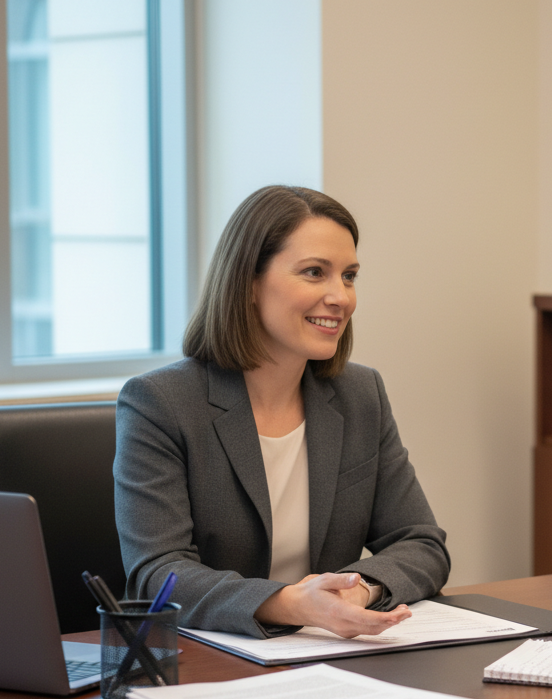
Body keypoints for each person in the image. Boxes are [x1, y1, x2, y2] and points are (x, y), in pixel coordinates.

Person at [115, 185, 450, 640]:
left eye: (349, 276)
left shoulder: (360, 394)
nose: (341, 297)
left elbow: (421, 542)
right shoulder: (160, 402)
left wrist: (356, 591)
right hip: (214, 657)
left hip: (328, 653)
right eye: (315, 272)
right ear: (249, 283)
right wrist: (291, 604)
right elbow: (158, 573)